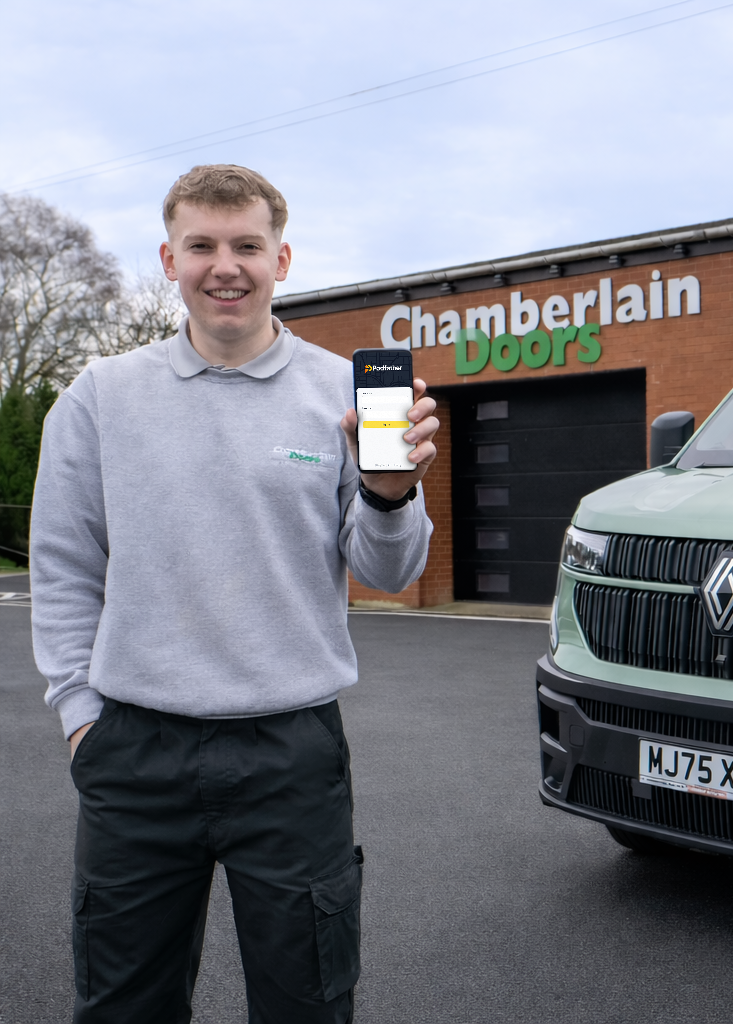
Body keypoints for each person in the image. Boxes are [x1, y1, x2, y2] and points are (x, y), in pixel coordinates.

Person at [30, 164, 437, 1023]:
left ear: (281, 259)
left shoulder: (345, 394)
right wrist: (80, 718)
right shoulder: (100, 398)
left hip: (290, 755)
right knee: (120, 1006)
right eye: (202, 246)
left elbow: (392, 572)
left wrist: (389, 494)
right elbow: (63, 568)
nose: (226, 265)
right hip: (133, 753)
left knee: (308, 1005)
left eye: (247, 245)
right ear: (169, 259)